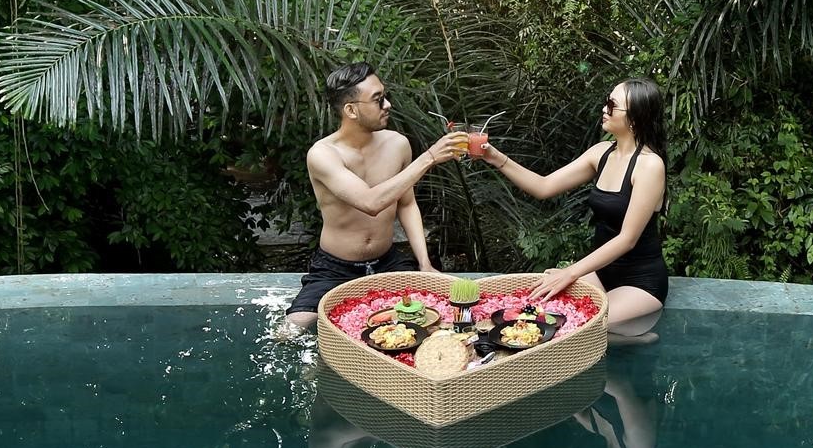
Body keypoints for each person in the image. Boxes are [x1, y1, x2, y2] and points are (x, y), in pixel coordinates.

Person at [479, 77, 669, 343]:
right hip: (601, 272)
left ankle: (634, 341)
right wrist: (494, 157)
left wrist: (569, 272)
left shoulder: (650, 165)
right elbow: (544, 186)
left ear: (635, 118)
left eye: (612, 105)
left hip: (640, 281)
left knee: (577, 329)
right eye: (606, 102)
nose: (604, 109)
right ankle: (626, 339)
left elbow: (627, 239)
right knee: (540, 316)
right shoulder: (601, 153)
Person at [284, 63, 466, 335]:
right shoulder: (323, 154)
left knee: (444, 315)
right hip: (335, 267)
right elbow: (370, 203)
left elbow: (406, 203)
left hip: (387, 261)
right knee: (292, 330)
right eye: (378, 99)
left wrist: (424, 263)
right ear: (351, 110)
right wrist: (429, 158)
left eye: (385, 96)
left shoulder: (397, 144)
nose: (388, 105)